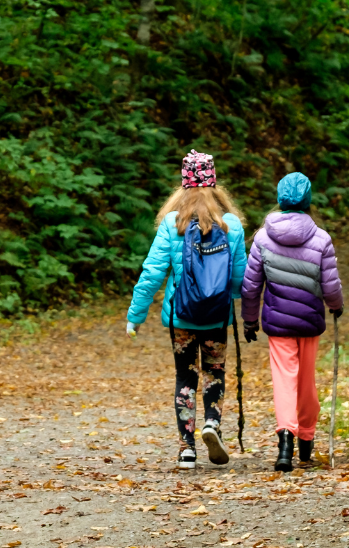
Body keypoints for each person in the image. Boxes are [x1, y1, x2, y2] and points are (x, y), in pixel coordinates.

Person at [124, 151, 248, 470]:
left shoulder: (171, 223)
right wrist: (247, 313)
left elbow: (153, 273)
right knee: (214, 371)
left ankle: (186, 448)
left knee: (185, 375)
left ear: (182, 186)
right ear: (214, 185)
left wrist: (135, 316)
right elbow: (239, 278)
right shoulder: (231, 225)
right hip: (217, 316)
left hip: (182, 316)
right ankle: (212, 424)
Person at [240, 171, 344, 472]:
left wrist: (249, 321)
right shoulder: (322, 239)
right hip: (309, 321)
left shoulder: (262, 238)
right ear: (308, 202)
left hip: (278, 323)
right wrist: (336, 307)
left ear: (280, 200)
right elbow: (331, 285)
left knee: (285, 379)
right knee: (306, 380)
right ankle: (306, 443)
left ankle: (285, 440)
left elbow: (250, 286)